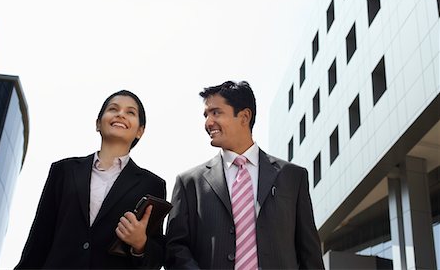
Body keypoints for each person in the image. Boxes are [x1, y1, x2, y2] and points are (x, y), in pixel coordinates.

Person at [165, 81, 324, 269]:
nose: (208, 123)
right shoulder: (189, 183)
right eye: (206, 115)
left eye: (216, 112)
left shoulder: (292, 177)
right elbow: (175, 248)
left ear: (244, 116)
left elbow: (309, 254)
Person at [16, 90, 166, 269]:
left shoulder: (152, 185)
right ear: (98, 123)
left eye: (130, 112)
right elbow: (39, 238)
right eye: (113, 109)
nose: (120, 114)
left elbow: (156, 258)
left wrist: (140, 244)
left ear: (140, 131)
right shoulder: (63, 171)